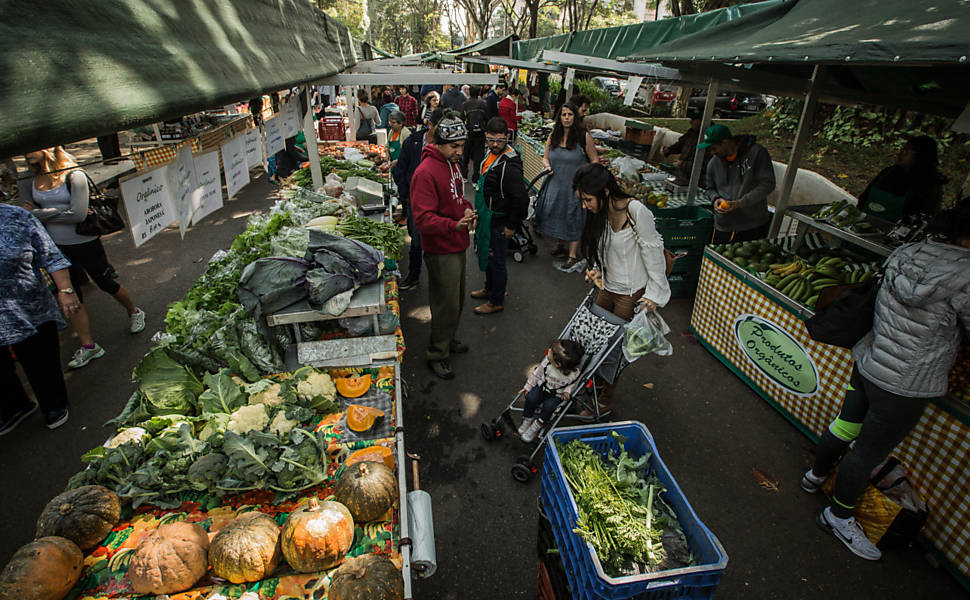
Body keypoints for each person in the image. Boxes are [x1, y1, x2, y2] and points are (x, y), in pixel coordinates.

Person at [801, 198, 970, 561]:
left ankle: (814, 476)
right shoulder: (967, 275)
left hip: (868, 361)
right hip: (906, 383)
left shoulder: (908, 252)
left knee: (846, 425)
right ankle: (838, 516)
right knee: (868, 451)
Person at [19, 147, 146, 370]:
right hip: (54, 247)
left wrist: (41, 213)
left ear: (49, 148)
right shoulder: (27, 178)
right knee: (70, 293)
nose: (26, 153)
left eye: (32, 148)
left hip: (85, 241)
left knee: (105, 282)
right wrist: (59, 212)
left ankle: (134, 311)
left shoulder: (74, 175)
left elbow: (78, 213)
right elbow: (24, 212)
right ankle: (89, 346)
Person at [576, 163, 671, 417]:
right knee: (592, 338)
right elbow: (601, 244)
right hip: (608, 286)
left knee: (613, 352)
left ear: (605, 192)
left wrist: (654, 294)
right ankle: (593, 384)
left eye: (587, 199)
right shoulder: (600, 213)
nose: (585, 205)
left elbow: (653, 254)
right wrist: (596, 269)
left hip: (631, 293)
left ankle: (605, 401)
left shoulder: (636, 211)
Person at [0, 203, 77, 433]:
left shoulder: (16, 216)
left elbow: (51, 256)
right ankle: (16, 407)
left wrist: (65, 290)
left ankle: (54, 404)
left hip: (29, 308)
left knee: (40, 361)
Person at [411, 111, 475, 380]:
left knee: (456, 300)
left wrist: (468, 209)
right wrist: (453, 225)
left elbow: (458, 198)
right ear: (439, 143)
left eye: (462, 145)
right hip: (441, 248)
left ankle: (447, 340)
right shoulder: (425, 172)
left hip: (457, 243)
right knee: (444, 303)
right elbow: (423, 219)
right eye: (454, 146)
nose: (459, 151)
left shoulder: (454, 165)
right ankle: (437, 354)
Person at [470, 118, 529, 316]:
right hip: (486, 217)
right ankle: (489, 288)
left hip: (499, 220)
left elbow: (521, 199)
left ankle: (496, 300)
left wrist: (512, 226)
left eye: (500, 141)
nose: (495, 145)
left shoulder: (510, 165)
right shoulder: (489, 154)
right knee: (487, 254)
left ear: (507, 138)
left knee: (497, 261)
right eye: (491, 140)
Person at [535, 103, 599, 272]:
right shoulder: (553, 136)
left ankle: (572, 255)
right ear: (559, 117)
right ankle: (560, 245)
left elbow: (595, 161)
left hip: (575, 188)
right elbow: (545, 157)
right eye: (564, 115)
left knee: (574, 218)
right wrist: (547, 166)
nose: (567, 118)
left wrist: (586, 181)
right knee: (558, 214)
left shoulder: (583, 137)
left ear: (575, 117)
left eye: (570, 114)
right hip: (556, 185)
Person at [394, 108, 446, 291]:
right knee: (416, 241)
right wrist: (406, 196)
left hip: (438, 206)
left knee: (437, 245)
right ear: (430, 125)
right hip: (415, 204)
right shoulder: (413, 142)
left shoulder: (447, 146)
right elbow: (400, 170)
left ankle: (439, 282)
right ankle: (414, 276)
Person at [700, 124, 776, 243]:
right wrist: (715, 199)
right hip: (723, 226)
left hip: (752, 225)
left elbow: (767, 184)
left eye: (714, 148)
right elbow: (709, 188)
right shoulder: (713, 163)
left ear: (725, 142)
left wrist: (741, 203)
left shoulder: (757, 153)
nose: (711, 152)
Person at [858, 135, 946, 221]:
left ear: (921, 156)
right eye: (902, 149)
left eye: (907, 151)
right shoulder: (888, 173)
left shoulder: (930, 185)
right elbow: (864, 198)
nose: (901, 154)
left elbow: (925, 217)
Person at [516, 339, 585, 442]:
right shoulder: (547, 363)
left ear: (557, 364)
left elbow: (572, 384)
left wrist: (567, 391)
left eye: (551, 352)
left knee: (549, 407)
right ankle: (527, 419)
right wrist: (528, 386)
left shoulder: (573, 374)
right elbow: (537, 374)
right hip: (542, 386)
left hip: (557, 394)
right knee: (530, 397)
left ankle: (536, 427)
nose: (548, 351)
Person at [661, 113, 708, 186]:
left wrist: (683, 164)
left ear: (703, 121)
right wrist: (668, 150)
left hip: (697, 182)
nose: (691, 122)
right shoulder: (691, 133)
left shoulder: (708, 138)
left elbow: (704, 166)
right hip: (682, 177)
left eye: (694, 120)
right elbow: (680, 144)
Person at [461, 86, 489, 183]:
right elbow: (487, 118)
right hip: (480, 134)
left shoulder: (465, 104)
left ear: (469, 92)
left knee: (466, 155)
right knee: (478, 156)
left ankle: (464, 176)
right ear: (479, 92)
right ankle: (475, 178)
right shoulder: (484, 104)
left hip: (468, 133)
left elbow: (462, 118)